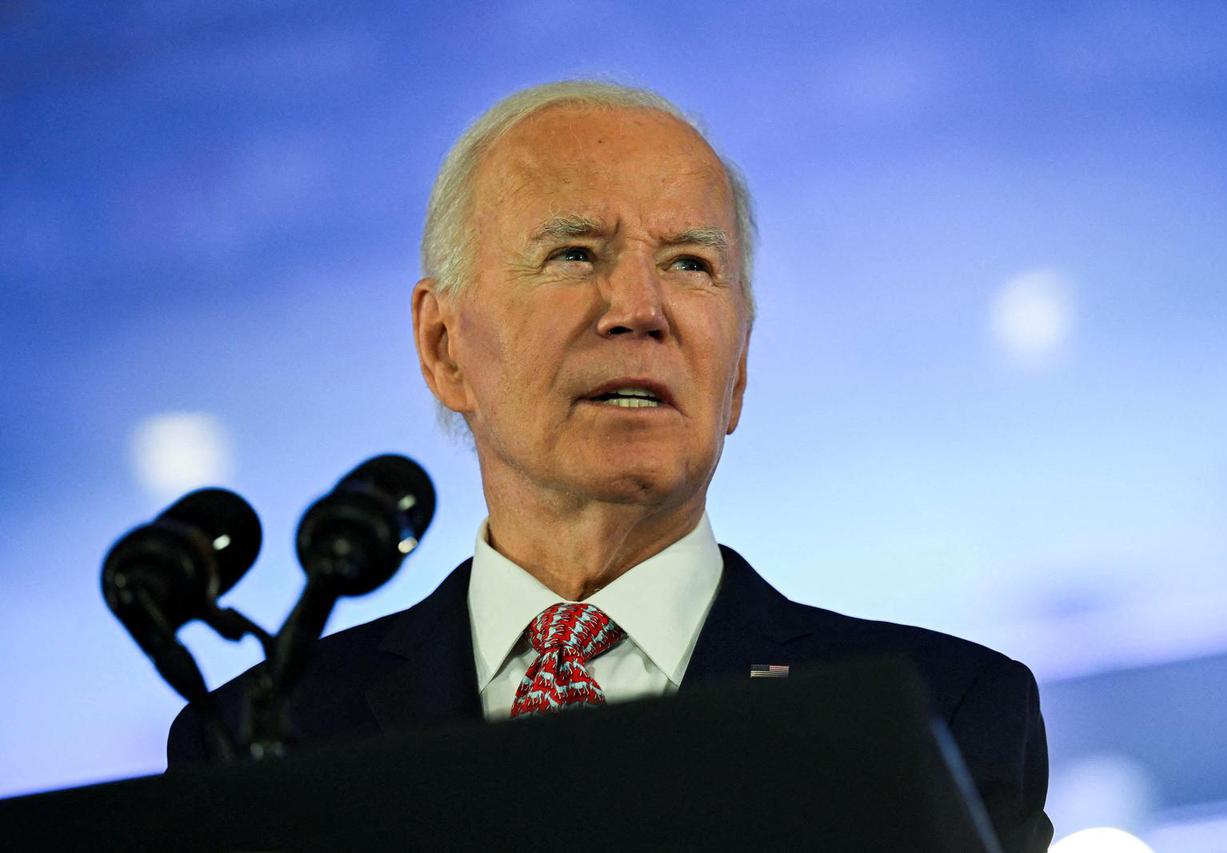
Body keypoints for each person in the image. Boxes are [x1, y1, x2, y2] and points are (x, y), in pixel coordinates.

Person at [169, 80, 1052, 851]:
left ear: (736, 371)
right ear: (443, 347)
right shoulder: (263, 742)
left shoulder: (946, 711)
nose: (639, 307)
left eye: (691, 263)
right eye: (575, 254)